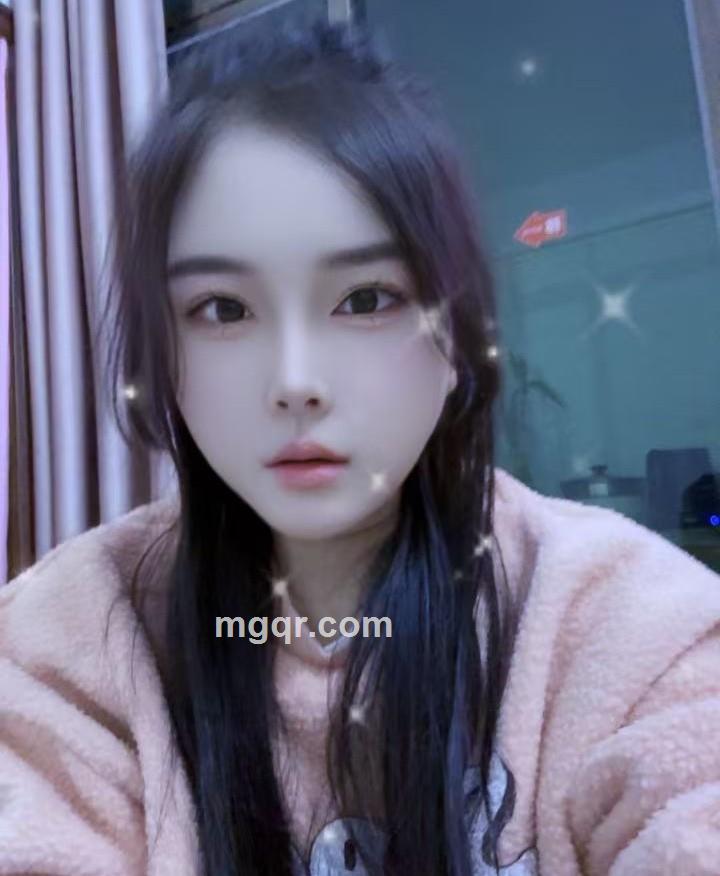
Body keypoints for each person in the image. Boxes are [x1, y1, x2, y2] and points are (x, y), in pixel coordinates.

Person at [1, 18, 719, 876]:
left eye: (367, 298)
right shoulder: (71, 643)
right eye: (223, 309)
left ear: (457, 341)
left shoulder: (618, 622)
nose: (295, 382)